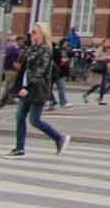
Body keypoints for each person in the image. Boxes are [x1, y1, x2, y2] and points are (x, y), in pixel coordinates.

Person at [10, 24, 68, 157]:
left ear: (42, 34)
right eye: (31, 32)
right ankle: (19, 148)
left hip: (37, 88)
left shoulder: (46, 50)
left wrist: (27, 87)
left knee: (34, 120)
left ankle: (59, 138)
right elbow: (24, 69)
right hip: (26, 88)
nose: (32, 34)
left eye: (34, 32)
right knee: (19, 117)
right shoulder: (31, 49)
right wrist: (17, 87)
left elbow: (40, 71)